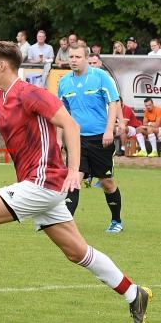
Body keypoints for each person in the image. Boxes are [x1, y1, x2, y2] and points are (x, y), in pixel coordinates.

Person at [0, 41, 152, 323]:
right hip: (37, 185)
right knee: (78, 252)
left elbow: (71, 126)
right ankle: (133, 293)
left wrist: (74, 171)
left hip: (44, 182)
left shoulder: (31, 94)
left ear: (2, 65)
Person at [58, 45, 125, 233]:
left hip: (100, 139)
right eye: (71, 56)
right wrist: (59, 139)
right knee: (73, 179)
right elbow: (61, 113)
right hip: (76, 139)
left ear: (86, 58)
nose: (73, 60)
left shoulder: (101, 77)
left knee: (107, 182)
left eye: (77, 56)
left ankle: (116, 220)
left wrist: (109, 130)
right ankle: (65, 223)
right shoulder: (64, 82)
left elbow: (113, 102)